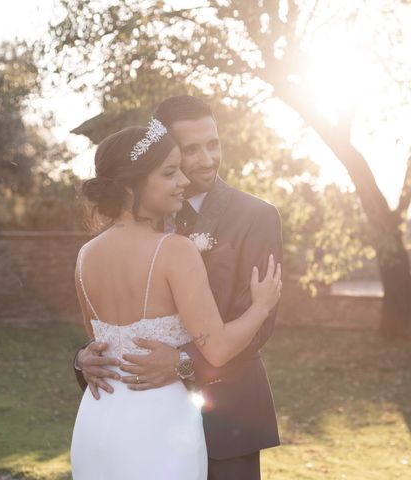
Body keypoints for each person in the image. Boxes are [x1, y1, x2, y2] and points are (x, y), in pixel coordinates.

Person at [73, 95, 283, 479]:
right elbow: (111, 318)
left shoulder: (257, 217)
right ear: (160, 152)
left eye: (213, 144)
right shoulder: (133, 222)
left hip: (227, 419)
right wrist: (83, 358)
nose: (206, 160)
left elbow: (259, 326)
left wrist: (183, 363)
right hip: (140, 421)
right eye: (191, 150)